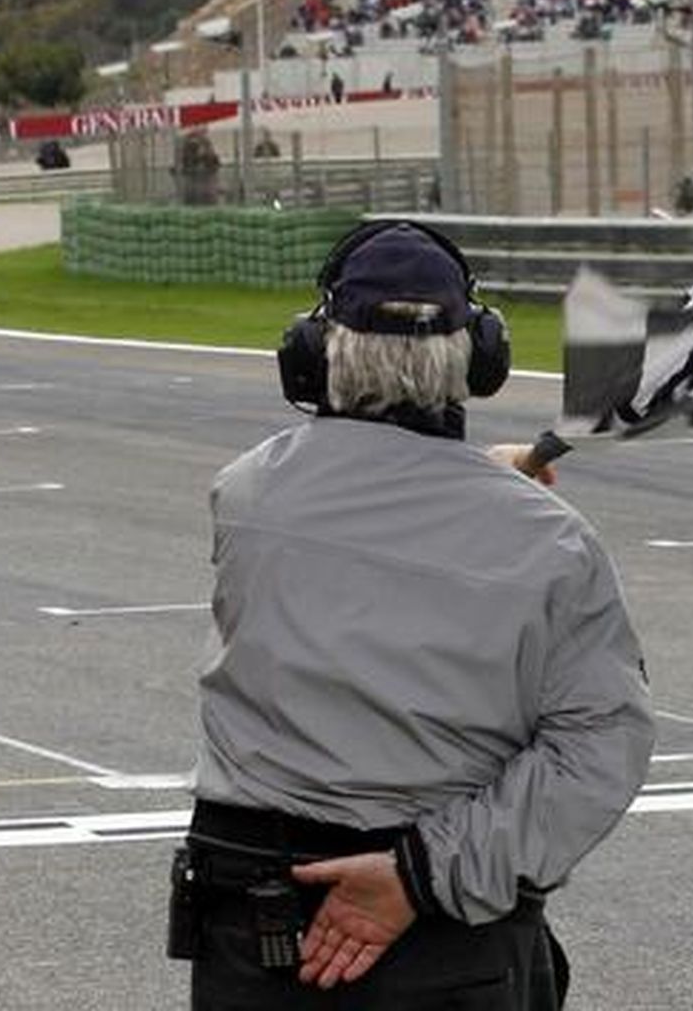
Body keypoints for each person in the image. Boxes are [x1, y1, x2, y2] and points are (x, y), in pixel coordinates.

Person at [170, 221, 655, 1009]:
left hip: (255, 937)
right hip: (446, 942)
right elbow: (601, 746)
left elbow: (376, 512)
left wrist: (474, 483)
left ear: (316, 352)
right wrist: (417, 879)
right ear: (480, 358)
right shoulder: (549, 542)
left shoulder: (248, 495)